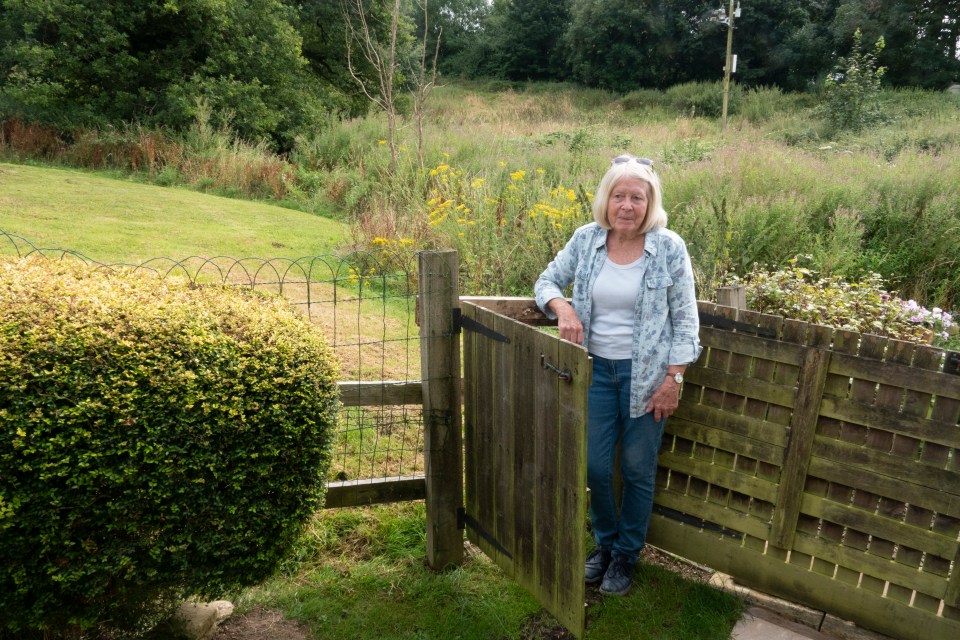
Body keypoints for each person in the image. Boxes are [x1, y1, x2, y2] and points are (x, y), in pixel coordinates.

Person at [534, 154, 702, 596]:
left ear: (650, 204)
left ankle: (626, 555)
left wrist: (675, 379)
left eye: (637, 197)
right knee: (594, 465)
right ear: (605, 200)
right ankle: (604, 545)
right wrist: (562, 307)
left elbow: (686, 320)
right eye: (618, 195)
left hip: (648, 378)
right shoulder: (586, 240)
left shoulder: (669, 247)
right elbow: (546, 281)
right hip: (594, 373)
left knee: (636, 467)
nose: (627, 205)